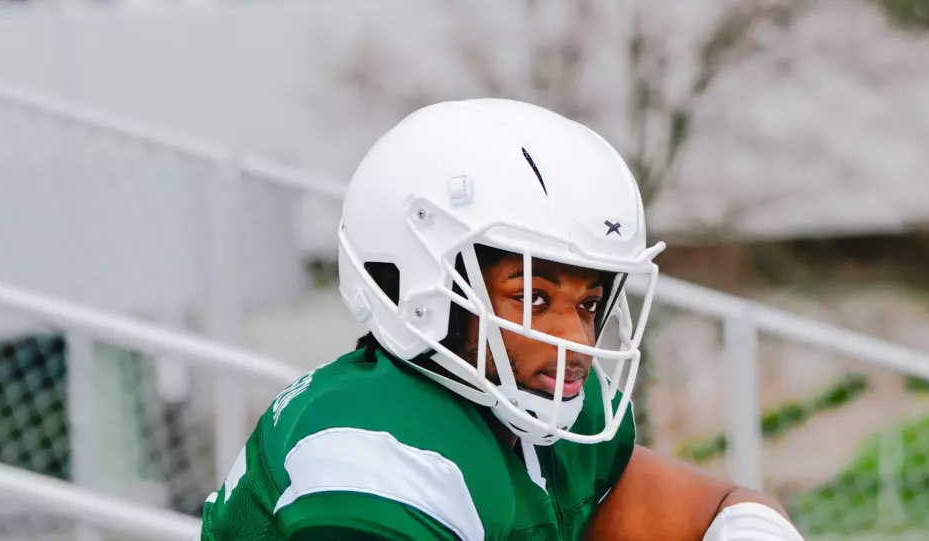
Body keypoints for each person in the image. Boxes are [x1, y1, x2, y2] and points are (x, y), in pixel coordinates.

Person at [198, 99, 804, 540]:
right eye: (533, 297)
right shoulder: (372, 447)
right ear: (417, 283)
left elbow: (715, 512)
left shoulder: (545, 414)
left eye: (588, 303)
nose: (575, 339)